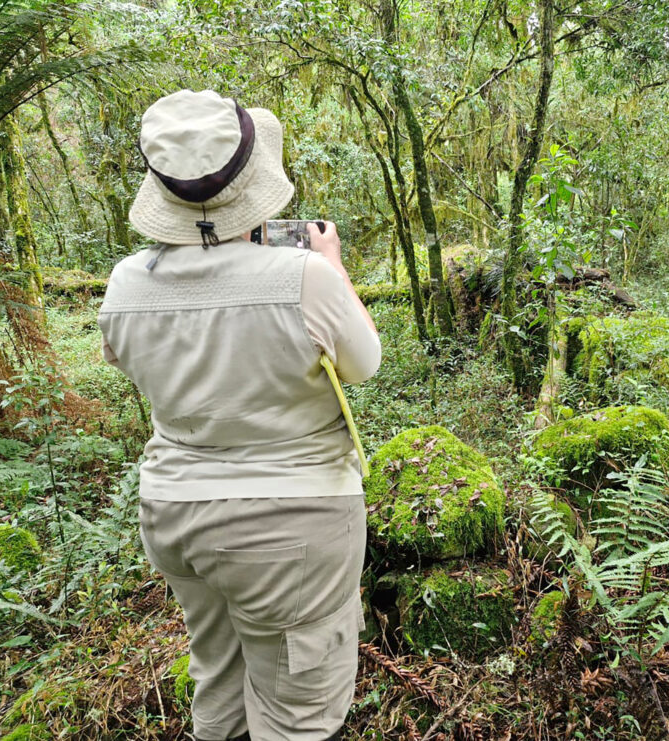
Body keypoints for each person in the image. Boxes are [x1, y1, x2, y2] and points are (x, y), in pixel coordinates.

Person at [97, 89, 381, 741]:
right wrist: (331, 265)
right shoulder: (304, 277)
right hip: (289, 526)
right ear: (253, 182)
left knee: (219, 684)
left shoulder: (124, 284)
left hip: (175, 517)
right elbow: (364, 363)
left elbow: (124, 357)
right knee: (299, 714)